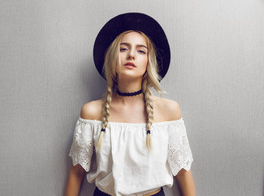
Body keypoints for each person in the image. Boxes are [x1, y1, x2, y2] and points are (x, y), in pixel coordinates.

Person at [65, 13, 195, 196]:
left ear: (148, 62)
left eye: (141, 50)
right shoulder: (91, 113)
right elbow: (76, 173)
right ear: (112, 56)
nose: (131, 55)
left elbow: (183, 174)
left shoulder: (169, 111)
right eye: (123, 48)